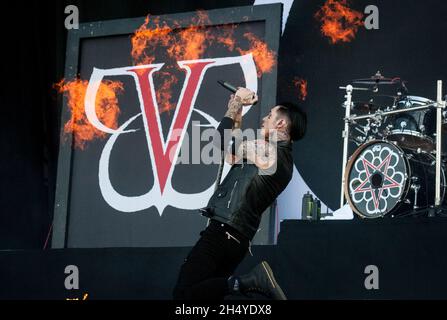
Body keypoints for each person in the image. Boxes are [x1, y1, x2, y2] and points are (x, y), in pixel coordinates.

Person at [173, 87, 306, 300]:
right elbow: (232, 155)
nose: (264, 119)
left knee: (184, 295)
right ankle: (242, 283)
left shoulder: (268, 150)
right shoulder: (280, 158)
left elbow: (219, 143)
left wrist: (236, 103)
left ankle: (248, 281)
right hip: (236, 238)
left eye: (270, 115)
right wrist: (235, 112)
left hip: (224, 232)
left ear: (281, 124)